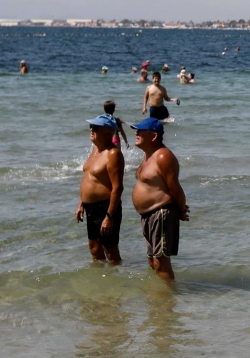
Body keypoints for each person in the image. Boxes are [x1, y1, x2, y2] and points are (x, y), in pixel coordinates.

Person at [130, 118, 189, 280]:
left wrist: (181, 210)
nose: (136, 132)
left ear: (154, 136)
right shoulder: (148, 155)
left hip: (161, 214)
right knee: (153, 261)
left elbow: (174, 188)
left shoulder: (163, 156)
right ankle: (159, 298)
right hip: (148, 215)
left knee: (161, 261)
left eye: (141, 130)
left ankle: (167, 300)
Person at [75, 114, 125, 264]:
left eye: (95, 127)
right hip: (90, 208)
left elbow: (117, 187)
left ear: (108, 132)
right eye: (91, 126)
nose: (91, 129)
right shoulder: (95, 150)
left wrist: (109, 216)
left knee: (110, 250)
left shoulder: (113, 154)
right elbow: (90, 178)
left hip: (105, 207)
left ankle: (116, 281)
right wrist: (81, 203)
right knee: (94, 248)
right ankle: (100, 283)